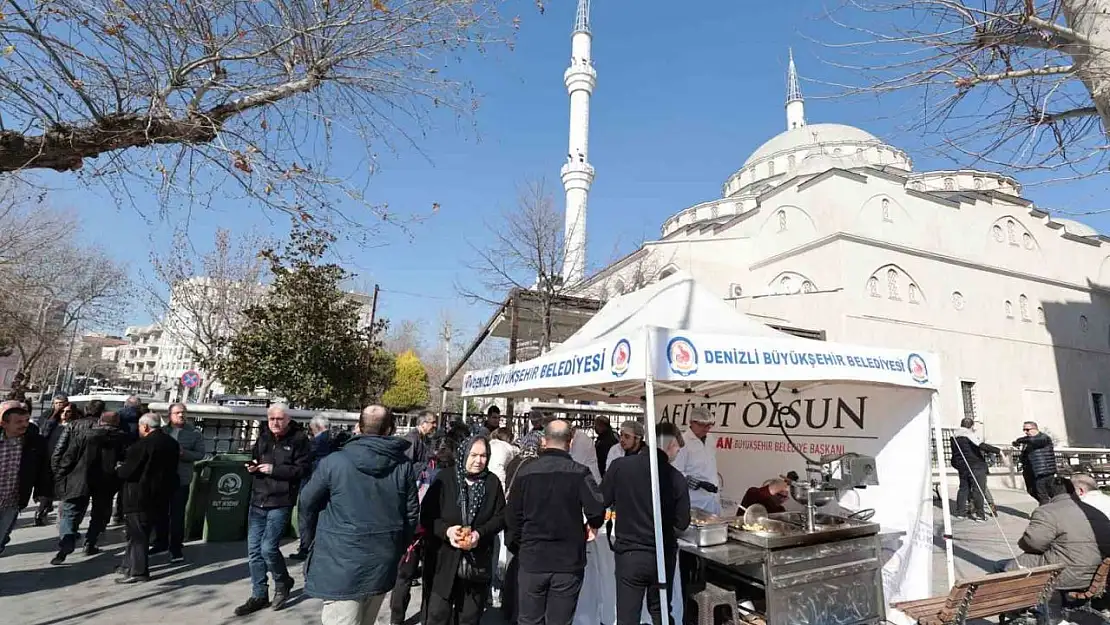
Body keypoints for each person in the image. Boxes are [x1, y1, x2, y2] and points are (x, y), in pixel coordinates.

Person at [300, 405, 418, 625]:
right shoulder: (403, 466)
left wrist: (309, 542)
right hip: (382, 557)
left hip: (340, 561)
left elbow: (306, 503)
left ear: (359, 427)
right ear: (390, 429)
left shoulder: (334, 462)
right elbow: (411, 514)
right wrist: (398, 547)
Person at [507, 419, 606, 625]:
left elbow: (512, 516)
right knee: (560, 621)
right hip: (567, 561)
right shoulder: (580, 472)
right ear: (570, 443)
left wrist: (518, 546)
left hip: (533, 556)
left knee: (529, 620)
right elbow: (597, 510)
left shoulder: (526, 472)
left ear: (544, 441)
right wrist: (590, 526)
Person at [602, 423, 690, 625]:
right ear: (670, 445)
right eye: (678, 447)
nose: (678, 452)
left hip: (630, 554)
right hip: (661, 555)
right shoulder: (675, 477)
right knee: (661, 612)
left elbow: (602, 500)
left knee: (627, 614)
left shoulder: (620, 467)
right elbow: (683, 522)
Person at [234, 404, 312, 616]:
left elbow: (303, 469)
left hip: (281, 500)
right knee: (254, 551)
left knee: (268, 547)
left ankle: (282, 581)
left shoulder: (299, 440)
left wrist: (274, 470)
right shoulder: (264, 437)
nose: (275, 423)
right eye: (271, 419)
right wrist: (253, 467)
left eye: (279, 418)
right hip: (258, 498)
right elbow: (256, 458)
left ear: (288, 419)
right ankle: (259, 593)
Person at [422, 435, 507, 625]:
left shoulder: (492, 483)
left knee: (469, 617)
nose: (479, 461)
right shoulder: (445, 478)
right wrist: (448, 531)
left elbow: (501, 517)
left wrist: (479, 534)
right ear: (463, 454)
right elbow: (427, 516)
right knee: (437, 614)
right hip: (443, 561)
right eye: (474, 455)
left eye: (484, 456)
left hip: (476, 563)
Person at [994, 477, 1110, 592]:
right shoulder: (1094, 510)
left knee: (1004, 565)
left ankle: (1028, 605)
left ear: (1049, 495)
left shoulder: (1046, 511)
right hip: (1094, 573)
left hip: (1064, 575)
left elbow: (1033, 543)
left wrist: (1025, 544)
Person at [391, 440, 455, 625]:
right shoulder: (447, 479)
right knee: (430, 579)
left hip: (412, 531)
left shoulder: (417, 472)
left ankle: (396, 619)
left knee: (403, 578)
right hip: (433, 533)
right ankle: (427, 617)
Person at [115, 414, 180, 583]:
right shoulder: (171, 443)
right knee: (141, 530)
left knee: (137, 533)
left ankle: (138, 571)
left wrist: (119, 470)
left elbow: (129, 471)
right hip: (162, 494)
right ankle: (127, 564)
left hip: (139, 494)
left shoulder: (142, 445)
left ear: (145, 427)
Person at [64, 410, 129, 555]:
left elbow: (69, 456)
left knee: (73, 510)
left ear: (100, 421)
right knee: (99, 514)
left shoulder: (85, 435)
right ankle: (90, 542)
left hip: (81, 477)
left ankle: (68, 537)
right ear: (117, 423)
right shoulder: (122, 438)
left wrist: (63, 474)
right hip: (107, 481)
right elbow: (125, 459)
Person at [49, 399, 104, 565]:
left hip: (75, 475)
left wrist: (57, 472)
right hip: (101, 477)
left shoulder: (73, 425)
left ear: (86, 409)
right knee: (99, 512)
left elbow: (59, 450)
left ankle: (67, 542)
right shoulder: (108, 428)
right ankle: (90, 542)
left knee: (69, 510)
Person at [150, 403, 206, 563]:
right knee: (160, 512)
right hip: (161, 478)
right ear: (170, 415)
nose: (181, 416)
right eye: (177, 413)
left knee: (177, 514)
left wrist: (184, 453)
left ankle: (176, 547)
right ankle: (160, 542)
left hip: (181, 479)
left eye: (183, 413)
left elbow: (200, 454)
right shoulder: (162, 431)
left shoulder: (194, 433)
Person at [0, 401, 51, 556]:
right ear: (4, 424)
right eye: (19, 422)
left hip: (12, 501)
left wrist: (42, 492)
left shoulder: (35, 442)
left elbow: (43, 469)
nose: (24, 425)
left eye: (26, 421)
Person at [290, 414, 342, 562]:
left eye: (312, 429)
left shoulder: (315, 443)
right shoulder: (334, 441)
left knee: (306, 516)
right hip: (329, 483)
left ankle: (305, 548)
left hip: (312, 483)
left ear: (317, 428)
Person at [34, 402, 78, 526]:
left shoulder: (73, 426)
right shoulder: (53, 424)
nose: (64, 414)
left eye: (68, 411)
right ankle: (41, 512)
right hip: (48, 460)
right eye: (62, 411)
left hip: (64, 461)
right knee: (46, 488)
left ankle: (60, 519)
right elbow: (44, 434)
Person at [673, 408, 722, 515]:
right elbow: (676, 472)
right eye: (702, 425)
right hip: (694, 499)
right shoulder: (682, 442)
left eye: (709, 425)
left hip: (712, 496)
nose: (706, 429)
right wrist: (698, 483)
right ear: (691, 422)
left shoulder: (710, 439)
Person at [950, 417, 1000, 521]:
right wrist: (999, 451)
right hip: (975, 466)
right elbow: (981, 445)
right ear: (972, 426)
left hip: (962, 466)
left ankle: (960, 513)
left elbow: (955, 453)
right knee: (979, 490)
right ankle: (980, 515)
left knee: (963, 488)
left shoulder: (954, 436)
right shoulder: (969, 434)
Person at [1012, 421, 1056, 504]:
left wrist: (1019, 440)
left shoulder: (1043, 438)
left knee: (1042, 494)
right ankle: (1050, 506)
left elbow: (1034, 441)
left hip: (1043, 472)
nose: (1025, 432)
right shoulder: (1027, 441)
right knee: (1031, 491)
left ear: (1035, 429)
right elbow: (1025, 454)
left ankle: (1046, 512)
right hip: (1030, 472)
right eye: (1024, 430)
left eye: (1027, 429)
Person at [405, 411, 438, 475]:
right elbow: (407, 464)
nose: (435, 425)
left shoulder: (424, 437)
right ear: (423, 424)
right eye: (433, 423)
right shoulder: (412, 438)